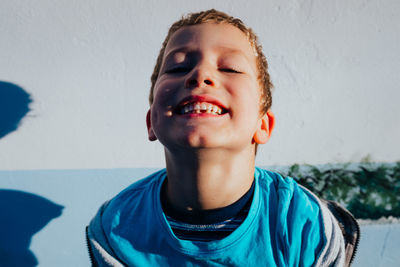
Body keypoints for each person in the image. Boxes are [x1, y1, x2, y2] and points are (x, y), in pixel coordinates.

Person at [86, 9, 359, 267]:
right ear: (151, 123)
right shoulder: (116, 227)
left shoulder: (305, 226)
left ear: (262, 125)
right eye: (178, 68)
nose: (200, 75)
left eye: (230, 68)